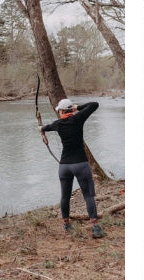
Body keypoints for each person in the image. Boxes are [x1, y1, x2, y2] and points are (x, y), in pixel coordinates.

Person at [39, 99, 104, 239]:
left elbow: (45, 127)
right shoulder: (78, 118)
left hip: (64, 166)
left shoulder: (58, 124)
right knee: (88, 196)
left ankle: (66, 224)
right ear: (71, 110)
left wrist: (41, 129)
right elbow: (94, 105)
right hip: (81, 164)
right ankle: (95, 227)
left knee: (65, 196)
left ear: (61, 112)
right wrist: (77, 107)